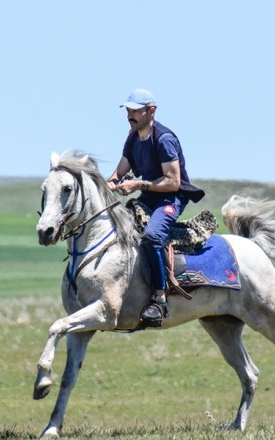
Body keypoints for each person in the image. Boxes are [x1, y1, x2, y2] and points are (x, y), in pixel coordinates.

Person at [107, 88, 205, 327]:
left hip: (171, 198)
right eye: (128, 111)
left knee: (151, 236)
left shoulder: (163, 139)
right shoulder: (132, 137)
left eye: (135, 111)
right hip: (149, 196)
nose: (130, 116)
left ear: (151, 111)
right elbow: (119, 171)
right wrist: (110, 184)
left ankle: (159, 298)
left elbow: (172, 181)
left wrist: (139, 184)